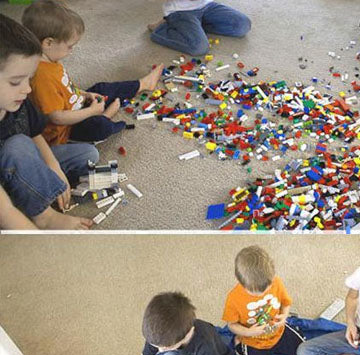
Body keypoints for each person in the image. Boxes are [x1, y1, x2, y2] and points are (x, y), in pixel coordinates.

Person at [0, 13, 96, 229]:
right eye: (16, 82)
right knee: (18, 145)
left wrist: (54, 167)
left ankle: (34, 190)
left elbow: (35, 134)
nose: (28, 89)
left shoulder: (20, 102)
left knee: (88, 154)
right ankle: (41, 212)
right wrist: (46, 220)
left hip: (19, 165)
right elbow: (4, 210)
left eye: (29, 78)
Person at [22, 0, 163, 145]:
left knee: (101, 88)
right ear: (48, 43)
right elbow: (56, 118)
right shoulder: (41, 76)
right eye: (70, 46)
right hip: (66, 130)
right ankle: (106, 116)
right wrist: (91, 112)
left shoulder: (50, 59)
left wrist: (84, 94)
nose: (72, 51)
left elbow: (65, 89)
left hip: (76, 107)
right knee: (99, 127)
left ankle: (143, 84)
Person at [222, 246, 304, 355]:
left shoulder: (276, 282)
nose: (263, 293)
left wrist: (284, 316)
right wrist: (248, 332)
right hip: (253, 340)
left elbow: (285, 303)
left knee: (302, 349)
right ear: (240, 281)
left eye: (267, 288)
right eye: (255, 292)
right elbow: (231, 324)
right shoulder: (233, 298)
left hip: (278, 332)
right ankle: (238, 343)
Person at [148, 1, 251, 56]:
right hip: (181, 11)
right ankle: (160, 29)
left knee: (243, 25)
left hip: (207, 5)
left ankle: (196, 27)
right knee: (199, 48)